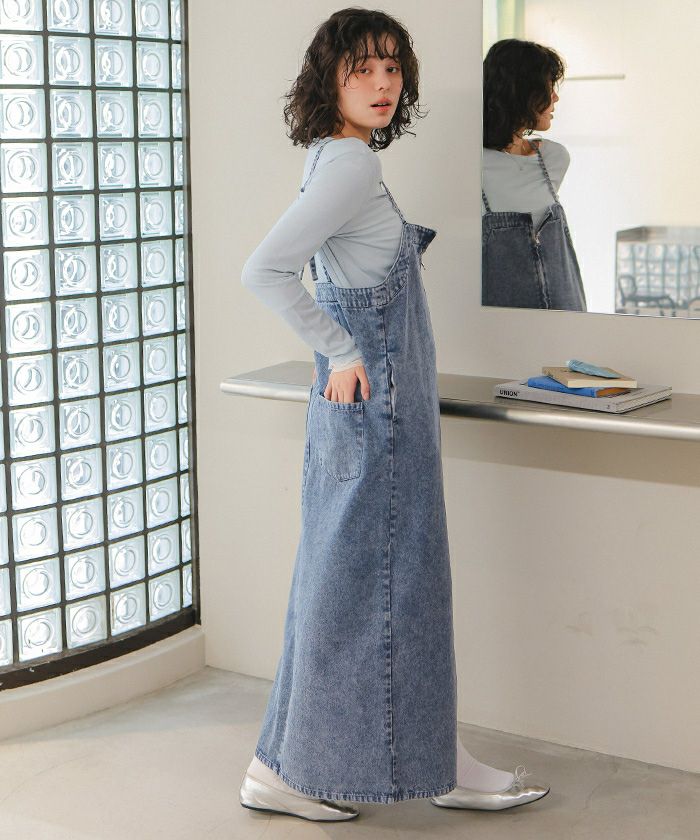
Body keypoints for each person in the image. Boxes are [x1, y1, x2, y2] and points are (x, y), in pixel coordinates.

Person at [239, 8, 550, 822]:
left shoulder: (330, 156)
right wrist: (341, 350)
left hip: (368, 414)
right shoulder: (350, 166)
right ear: (331, 78)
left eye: (392, 67)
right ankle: (389, 769)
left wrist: (343, 355)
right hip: (380, 411)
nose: (382, 84)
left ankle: (310, 765)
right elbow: (265, 270)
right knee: (390, 590)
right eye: (363, 68)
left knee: (347, 585)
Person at [482, 38, 587, 311]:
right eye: (549, 87)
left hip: (568, 318)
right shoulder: (474, 167)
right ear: (522, 91)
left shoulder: (553, 158)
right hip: (507, 326)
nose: (555, 98)